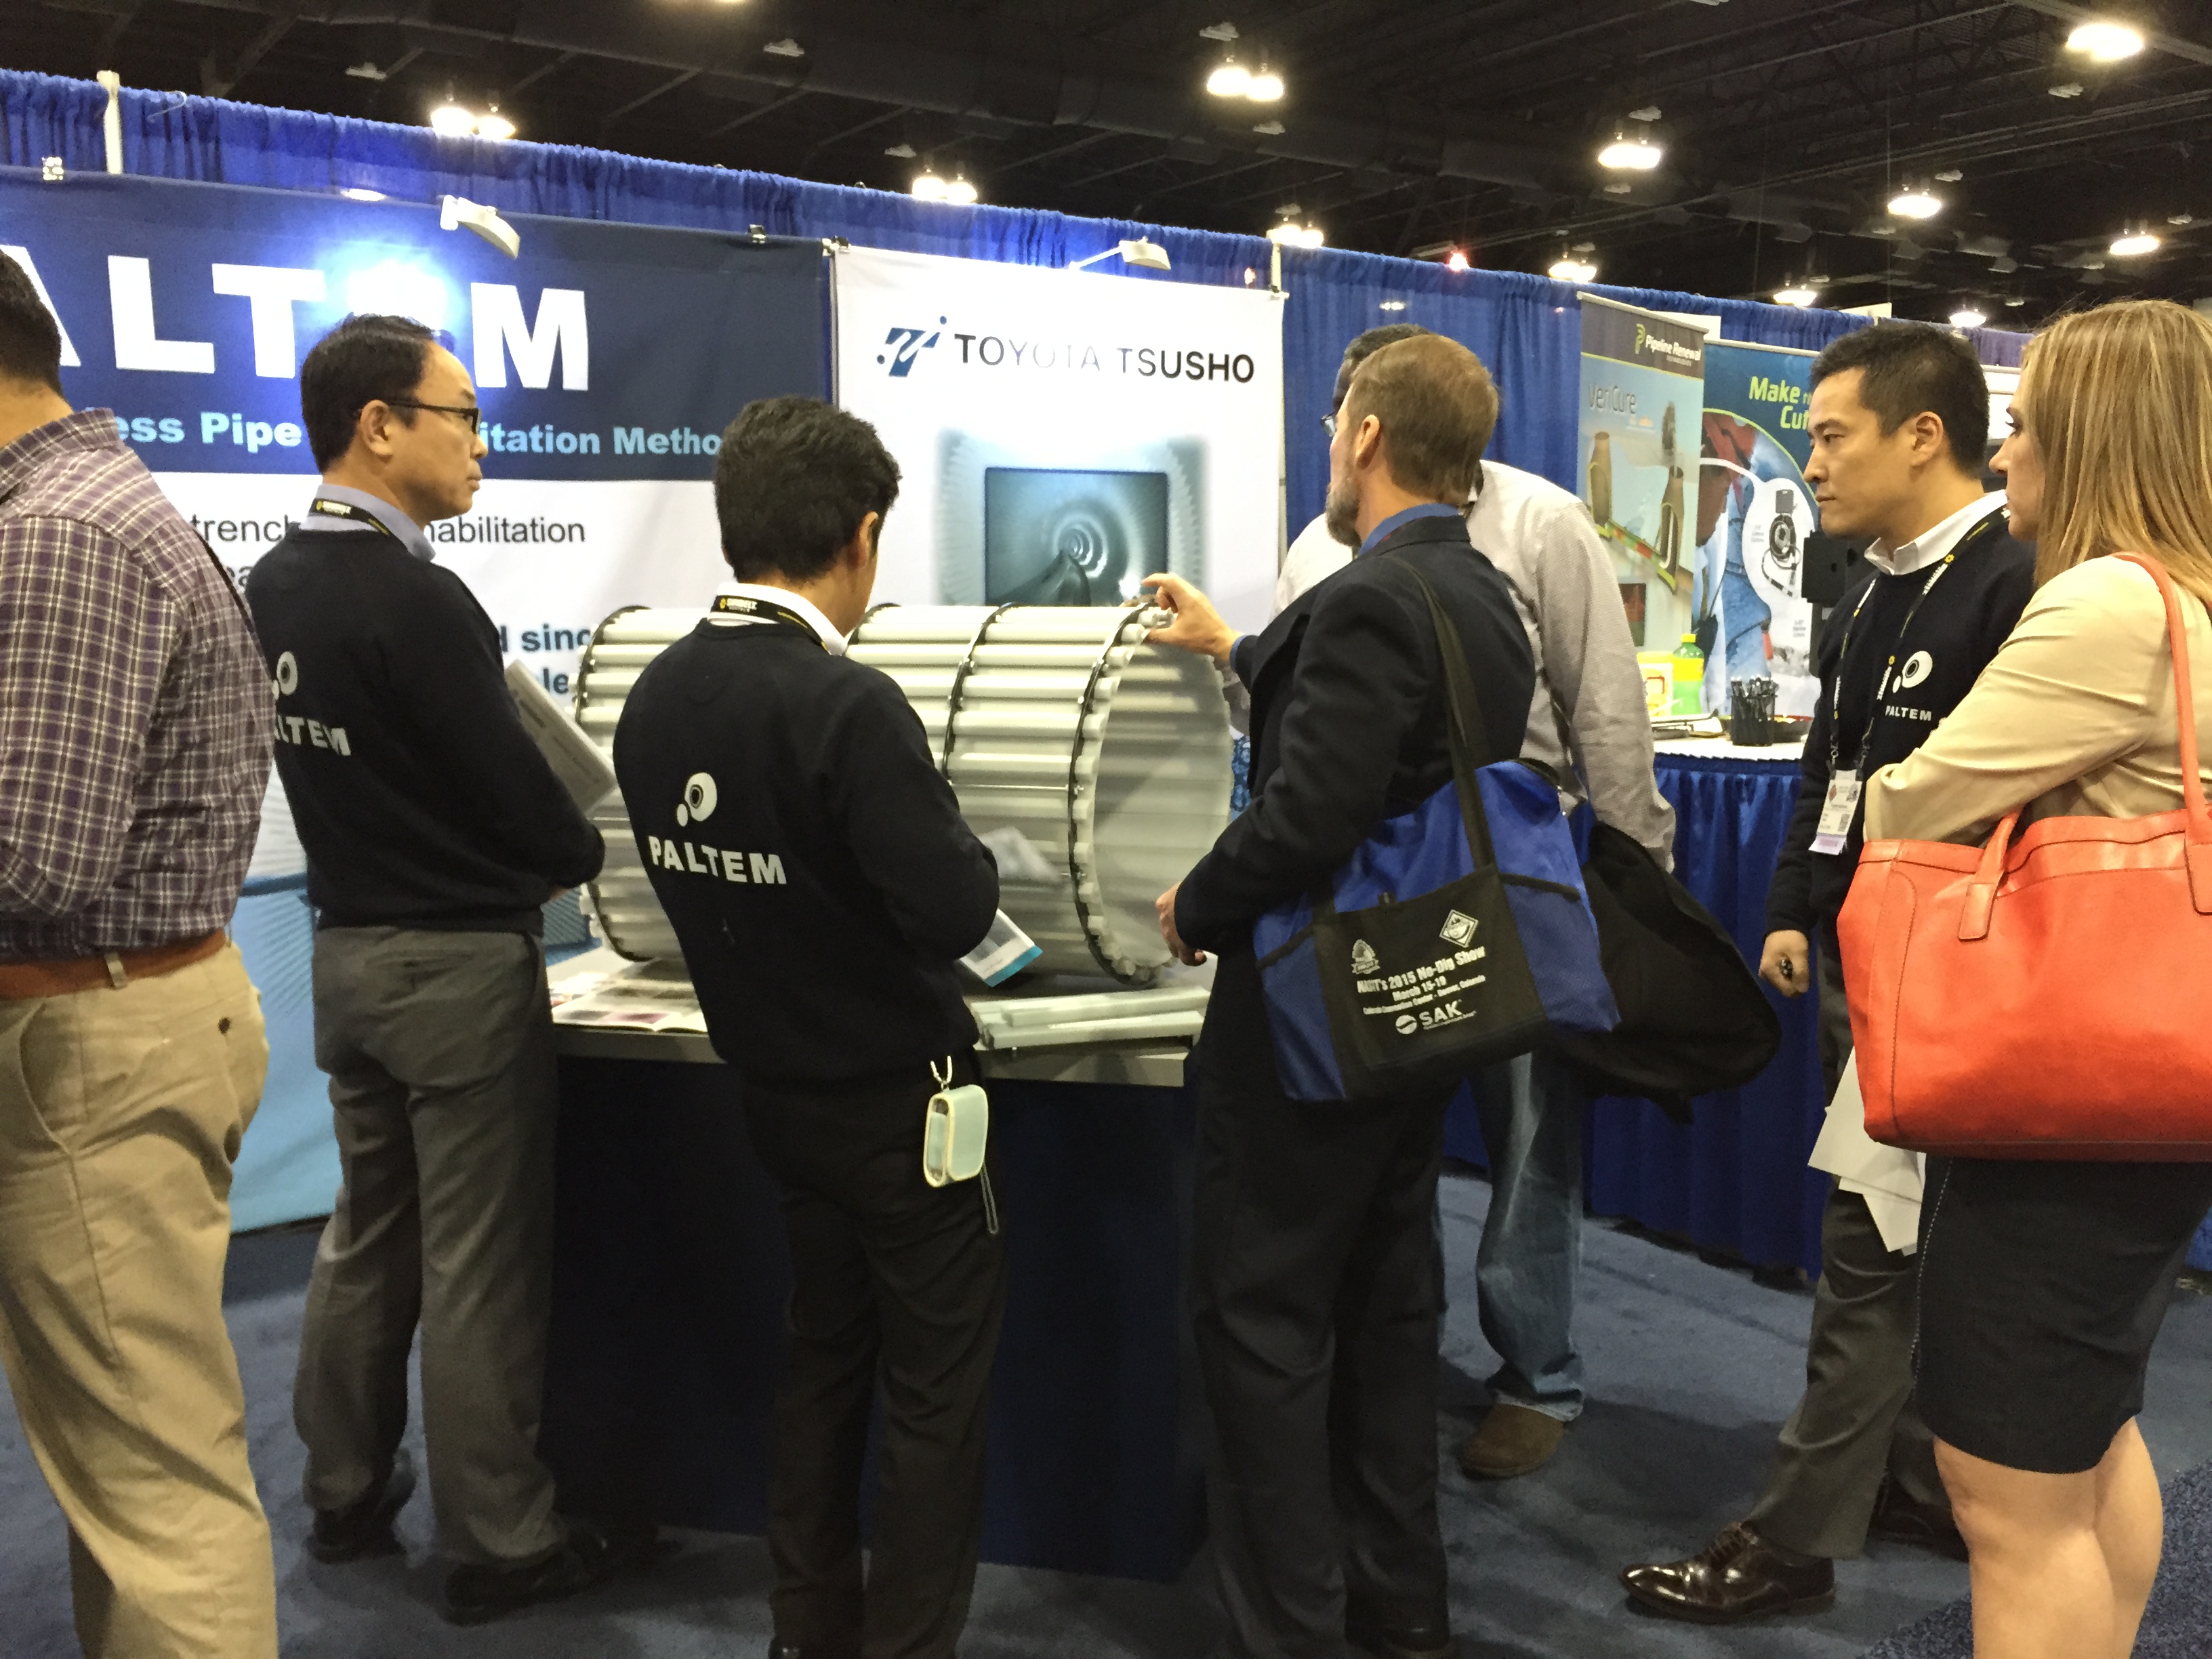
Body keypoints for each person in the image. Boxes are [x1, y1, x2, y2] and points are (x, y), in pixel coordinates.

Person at [1621, 321, 2035, 1622]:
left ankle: (1795, 1539)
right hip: (1873, 963)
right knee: (1898, 1239)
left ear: (1924, 436)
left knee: (1872, 1248)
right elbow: (1832, 770)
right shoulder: (1870, 588)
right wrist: (1799, 907)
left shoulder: (2016, 584)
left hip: (1957, 987)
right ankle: (1908, 1476)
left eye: (1832, 436)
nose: (1812, 463)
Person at [1147, 333, 1536, 1659]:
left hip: (1313, 1019)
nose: (1330, 447)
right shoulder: (1478, 591)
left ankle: (1291, 1630)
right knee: (1385, 1312)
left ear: (1366, 434)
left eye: (1334, 427)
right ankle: (1398, 1614)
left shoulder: (1373, 597)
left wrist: (1197, 904)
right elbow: (1394, 736)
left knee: (1260, 1322)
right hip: (1421, 1005)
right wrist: (1242, 647)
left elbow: (1311, 810)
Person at [613, 396, 1004, 1659]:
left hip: (775, 1096)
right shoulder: (849, 707)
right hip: (901, 1110)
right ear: (864, 535)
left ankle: (808, 1630)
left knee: (823, 1360)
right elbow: (954, 910)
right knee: (936, 1393)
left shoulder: (656, 696)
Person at [247, 314, 615, 1625]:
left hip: (347, 957)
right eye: (461, 417)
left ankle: (344, 1491)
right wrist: (578, 850)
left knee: (368, 1235)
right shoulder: (416, 597)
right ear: (379, 425)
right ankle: (501, 1541)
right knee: (477, 1262)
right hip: (456, 970)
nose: (478, 447)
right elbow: (517, 798)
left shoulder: (274, 582)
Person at [1864, 299, 2212, 1659]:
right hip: (2143, 1091)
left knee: (2008, 1497)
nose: (2005, 453)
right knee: (2083, 1438)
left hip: (2067, 1108)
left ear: (2093, 440)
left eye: (2025, 425)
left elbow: (1913, 801)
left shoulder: (2111, 603)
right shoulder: (2187, 598)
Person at [1283, 321, 1676, 1481]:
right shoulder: (1317, 545)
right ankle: (1382, 1361)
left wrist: (1637, 881)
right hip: (1362, 881)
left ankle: (1537, 1376)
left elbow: (1605, 706)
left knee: (1529, 1137)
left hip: (1510, 867)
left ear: (1378, 425)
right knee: (1371, 1137)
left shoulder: (1542, 522)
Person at [0, 250, 278, 1654]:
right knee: (127, 1465)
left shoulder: (58, 534)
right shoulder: (79, 512)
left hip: (87, 1043)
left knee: (155, 1490)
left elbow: (31, 860)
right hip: (104, 1029)